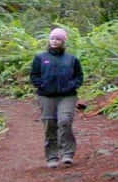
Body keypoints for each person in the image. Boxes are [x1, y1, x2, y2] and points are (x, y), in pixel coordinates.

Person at [30, 26, 84, 167]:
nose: (55, 41)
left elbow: (79, 76)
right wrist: (42, 85)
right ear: (49, 40)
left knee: (65, 121)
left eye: (58, 39)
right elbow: (34, 76)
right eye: (52, 38)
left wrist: (72, 85)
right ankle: (52, 157)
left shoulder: (71, 59)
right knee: (50, 124)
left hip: (67, 96)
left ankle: (67, 153)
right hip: (46, 96)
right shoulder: (40, 58)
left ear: (63, 41)